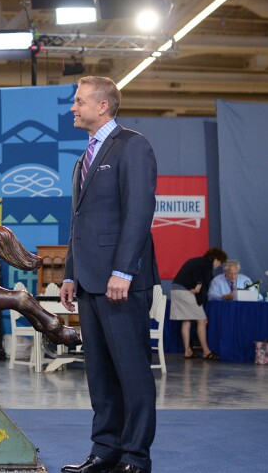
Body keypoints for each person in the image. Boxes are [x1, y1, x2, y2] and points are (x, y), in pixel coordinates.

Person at [59, 76, 160, 473]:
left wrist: (124, 270)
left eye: (79, 101)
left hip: (121, 283)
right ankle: (105, 451)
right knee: (100, 375)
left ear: (102, 106)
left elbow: (139, 212)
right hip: (88, 282)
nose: (73, 108)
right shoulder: (83, 159)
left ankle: (135, 457)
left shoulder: (133, 145)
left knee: (132, 373)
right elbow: (79, 222)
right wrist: (70, 274)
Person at [169, 247, 227, 360]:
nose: (219, 265)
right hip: (185, 291)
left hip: (176, 289)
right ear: (216, 259)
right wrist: (198, 285)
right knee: (202, 320)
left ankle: (187, 351)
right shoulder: (206, 262)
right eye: (220, 262)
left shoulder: (197, 261)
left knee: (187, 321)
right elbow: (199, 275)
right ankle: (206, 351)